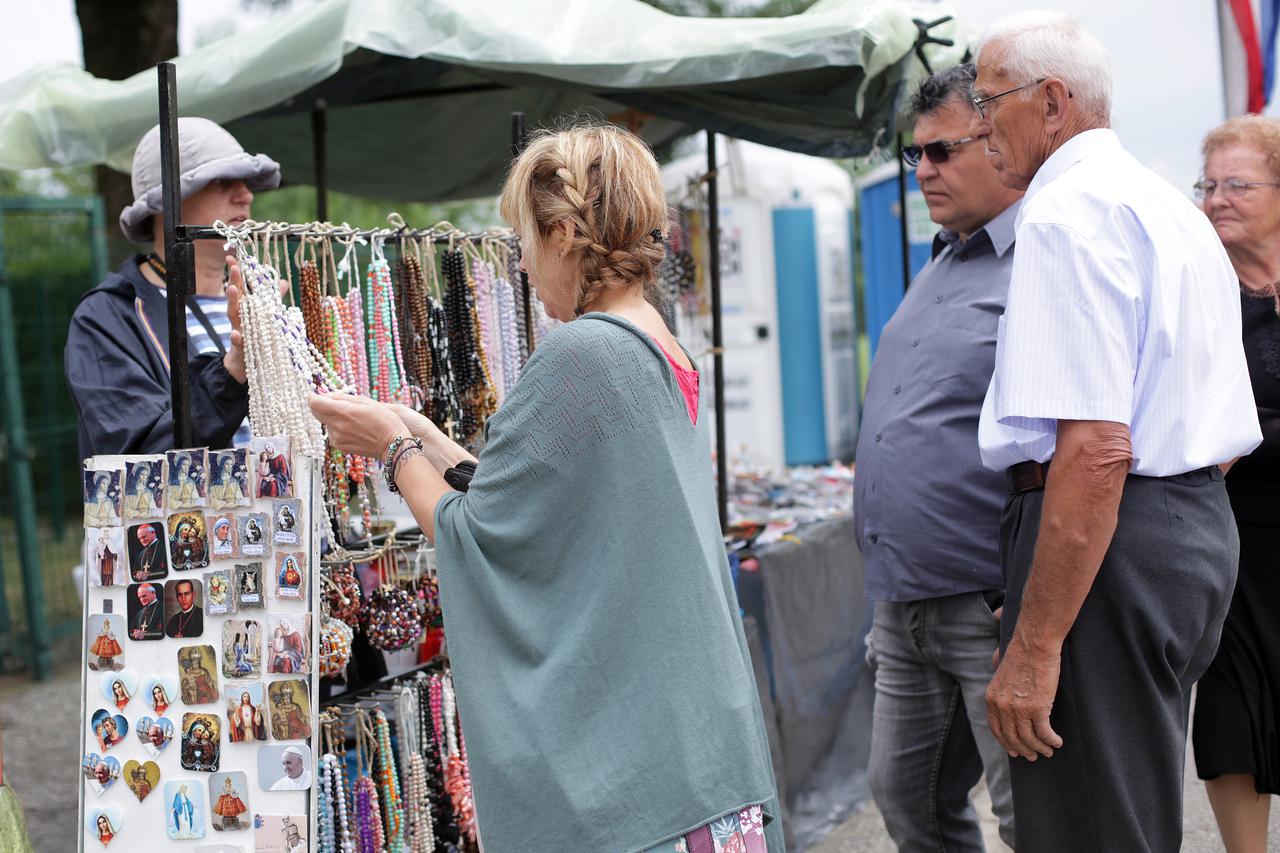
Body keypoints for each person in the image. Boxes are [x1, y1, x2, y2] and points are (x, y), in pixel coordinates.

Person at [310, 123, 783, 853]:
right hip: (698, 746)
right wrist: (419, 429)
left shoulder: (583, 352)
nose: (524, 264)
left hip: (641, 777)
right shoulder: (653, 338)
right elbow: (521, 484)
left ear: (565, 232)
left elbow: (474, 532)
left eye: (527, 239)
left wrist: (391, 445)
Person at [970, 12, 1262, 851]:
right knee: (1123, 812)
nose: (981, 122)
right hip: (1185, 525)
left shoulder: (1069, 213)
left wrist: (1034, 644)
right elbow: (1219, 421)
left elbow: (1096, 446)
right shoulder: (1167, 207)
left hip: (1111, 538)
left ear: (1053, 102)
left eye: (991, 101)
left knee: (1092, 828)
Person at [854, 63, 1022, 852]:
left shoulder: (1042, 262)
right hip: (904, 598)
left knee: (1031, 811)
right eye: (915, 154)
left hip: (988, 598)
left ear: (999, 142)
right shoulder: (943, 260)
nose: (924, 170)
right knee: (906, 795)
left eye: (943, 150)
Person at [65, 117, 279, 459]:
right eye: (223, 181)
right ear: (166, 202)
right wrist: (233, 369)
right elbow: (138, 455)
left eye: (247, 181)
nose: (246, 195)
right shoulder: (108, 317)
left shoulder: (263, 298)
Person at [1191, 115, 1280, 853]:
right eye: (1209, 184)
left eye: (1238, 184)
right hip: (1227, 531)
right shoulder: (1197, 285)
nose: (1217, 198)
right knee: (1228, 708)